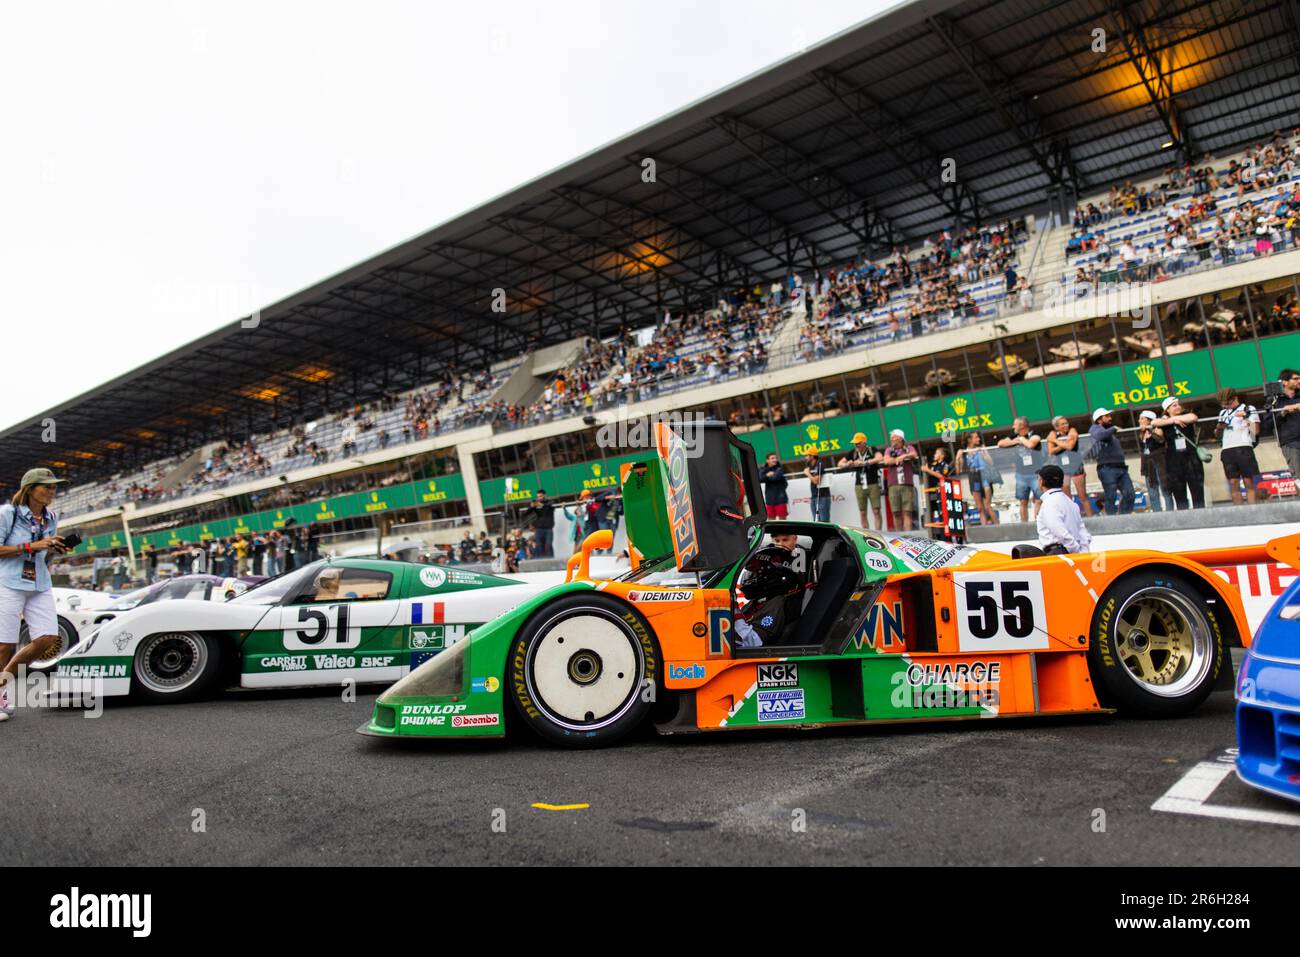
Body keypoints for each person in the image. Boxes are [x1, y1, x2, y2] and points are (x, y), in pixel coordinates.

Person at [0, 468, 70, 721]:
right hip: (7, 583)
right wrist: (31, 545)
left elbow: (43, 553)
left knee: (48, 639)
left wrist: (54, 549)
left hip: (39, 583)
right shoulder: (7, 513)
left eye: (54, 487)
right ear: (30, 488)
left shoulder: (51, 517)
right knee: (5, 644)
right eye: (47, 486)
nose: (52, 491)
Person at [732, 542, 805, 648]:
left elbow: (754, 643)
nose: (750, 576)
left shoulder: (776, 603)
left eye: (756, 572)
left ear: (772, 573)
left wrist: (733, 609)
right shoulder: (756, 603)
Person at [1149, 396, 1204, 509]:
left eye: (1178, 404)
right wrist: (1173, 420)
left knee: (1197, 489)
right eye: (1174, 406)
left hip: (1191, 457)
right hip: (1174, 460)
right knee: (1179, 492)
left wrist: (1175, 419)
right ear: (1167, 409)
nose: (1178, 407)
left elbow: (1193, 417)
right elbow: (1154, 422)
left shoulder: (1185, 416)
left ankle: (1201, 514)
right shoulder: (1164, 422)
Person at [1215, 388, 1261, 505]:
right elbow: (1217, 435)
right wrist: (1219, 427)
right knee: (1233, 483)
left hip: (1244, 447)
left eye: (1228, 404)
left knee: (1248, 481)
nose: (1226, 407)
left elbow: (1255, 431)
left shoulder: (1248, 409)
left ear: (1235, 398)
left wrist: (1245, 417)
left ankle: (1254, 510)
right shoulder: (1223, 413)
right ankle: (1239, 512)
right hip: (1227, 449)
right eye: (1223, 405)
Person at [1035, 464, 1092, 554]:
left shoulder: (1049, 503)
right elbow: (1082, 531)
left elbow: (1059, 532)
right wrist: (1082, 551)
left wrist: (1075, 550)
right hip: (1072, 551)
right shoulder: (1071, 503)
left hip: (1058, 553)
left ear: (1041, 482)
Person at [997, 416, 1045, 522]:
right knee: (1023, 501)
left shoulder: (1034, 434)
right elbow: (1000, 443)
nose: (1013, 426)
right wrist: (1017, 441)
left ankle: (1039, 523)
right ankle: (1024, 526)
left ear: (1022, 425)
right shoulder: (1015, 436)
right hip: (1021, 475)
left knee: (1039, 500)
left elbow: (1031, 444)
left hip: (1036, 474)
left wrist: (1021, 439)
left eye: (1015, 424)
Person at [1088, 407, 1135, 514]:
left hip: (1121, 468)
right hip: (1107, 468)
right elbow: (1099, 435)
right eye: (1107, 416)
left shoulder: (1109, 432)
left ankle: (1124, 518)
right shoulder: (1095, 428)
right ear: (1099, 420)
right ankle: (1113, 522)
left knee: (1130, 494)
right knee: (1111, 496)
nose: (1110, 418)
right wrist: (1113, 428)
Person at [1045, 416, 1093, 516]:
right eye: (1062, 424)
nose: (1066, 425)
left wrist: (1055, 441)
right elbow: (1051, 451)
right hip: (1063, 469)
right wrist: (1063, 443)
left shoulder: (1072, 431)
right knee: (1067, 498)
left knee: (1082, 496)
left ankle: (1090, 517)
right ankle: (1072, 519)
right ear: (1056, 427)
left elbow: (1070, 446)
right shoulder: (1053, 434)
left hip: (1076, 467)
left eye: (1066, 423)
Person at [838, 432, 882, 528]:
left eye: (858, 443)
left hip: (873, 483)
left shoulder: (872, 449)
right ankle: (865, 534)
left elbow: (880, 457)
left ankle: (878, 533)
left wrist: (865, 462)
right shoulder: (853, 453)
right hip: (859, 485)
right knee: (862, 512)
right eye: (855, 443)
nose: (856, 445)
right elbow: (840, 463)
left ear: (864, 442)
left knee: (876, 510)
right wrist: (849, 464)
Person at [955, 432, 998, 526]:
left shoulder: (982, 447)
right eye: (976, 437)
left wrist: (983, 452)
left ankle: (997, 527)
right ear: (969, 439)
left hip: (984, 476)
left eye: (978, 437)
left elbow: (990, 462)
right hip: (973, 477)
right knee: (980, 508)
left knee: (987, 506)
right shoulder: (964, 451)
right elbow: (959, 471)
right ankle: (985, 528)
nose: (978, 439)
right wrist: (957, 458)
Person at [881, 429, 919, 531]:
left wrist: (903, 456)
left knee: (907, 511)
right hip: (893, 484)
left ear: (900, 438)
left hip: (907, 483)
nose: (891, 439)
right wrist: (896, 460)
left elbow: (914, 454)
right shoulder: (889, 450)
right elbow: (886, 461)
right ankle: (899, 535)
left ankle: (908, 536)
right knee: (896, 512)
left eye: (894, 437)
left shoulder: (908, 447)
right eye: (891, 437)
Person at [1136, 410, 1173, 512]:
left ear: (1149, 420)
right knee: (1152, 490)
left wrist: (1150, 430)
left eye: (1142, 418)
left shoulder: (1157, 429)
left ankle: (1169, 511)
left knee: (1165, 488)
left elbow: (1160, 439)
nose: (1139, 420)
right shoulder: (1141, 433)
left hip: (1159, 461)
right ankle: (1157, 512)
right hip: (1148, 463)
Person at [1273, 369, 1300, 478]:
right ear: (1285, 382)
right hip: (1291, 442)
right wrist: (1284, 411)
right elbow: (1268, 423)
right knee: (1298, 477)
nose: (1299, 381)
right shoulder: (1275, 400)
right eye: (1296, 378)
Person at [524, 489, 555, 558]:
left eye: (541, 496)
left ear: (544, 495)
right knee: (539, 546)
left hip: (548, 528)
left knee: (548, 545)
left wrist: (542, 505)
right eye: (538, 496)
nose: (539, 498)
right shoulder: (535, 503)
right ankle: (542, 561)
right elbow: (525, 513)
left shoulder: (550, 502)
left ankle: (551, 560)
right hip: (539, 529)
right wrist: (531, 507)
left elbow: (550, 507)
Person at [803, 450, 831, 523]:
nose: (805, 457)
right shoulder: (810, 465)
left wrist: (808, 474)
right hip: (814, 496)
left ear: (812, 456)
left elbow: (816, 481)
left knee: (824, 521)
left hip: (822, 496)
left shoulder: (819, 464)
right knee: (816, 521)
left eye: (807, 455)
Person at [760, 453, 789, 520]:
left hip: (780, 499)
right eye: (772, 458)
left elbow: (775, 478)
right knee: (771, 520)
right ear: (767, 460)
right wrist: (767, 475)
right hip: (769, 500)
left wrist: (766, 477)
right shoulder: (764, 469)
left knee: (782, 521)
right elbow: (759, 479)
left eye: (775, 458)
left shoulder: (780, 468)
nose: (775, 460)